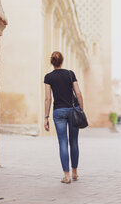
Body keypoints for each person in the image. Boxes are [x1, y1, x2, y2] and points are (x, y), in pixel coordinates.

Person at [44, 51, 84, 184]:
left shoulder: (48, 77)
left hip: (59, 112)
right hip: (73, 110)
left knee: (62, 142)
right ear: (62, 61)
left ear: (52, 62)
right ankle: (75, 172)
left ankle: (66, 176)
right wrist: (81, 110)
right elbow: (78, 93)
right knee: (74, 142)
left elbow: (48, 98)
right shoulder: (70, 73)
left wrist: (46, 117)